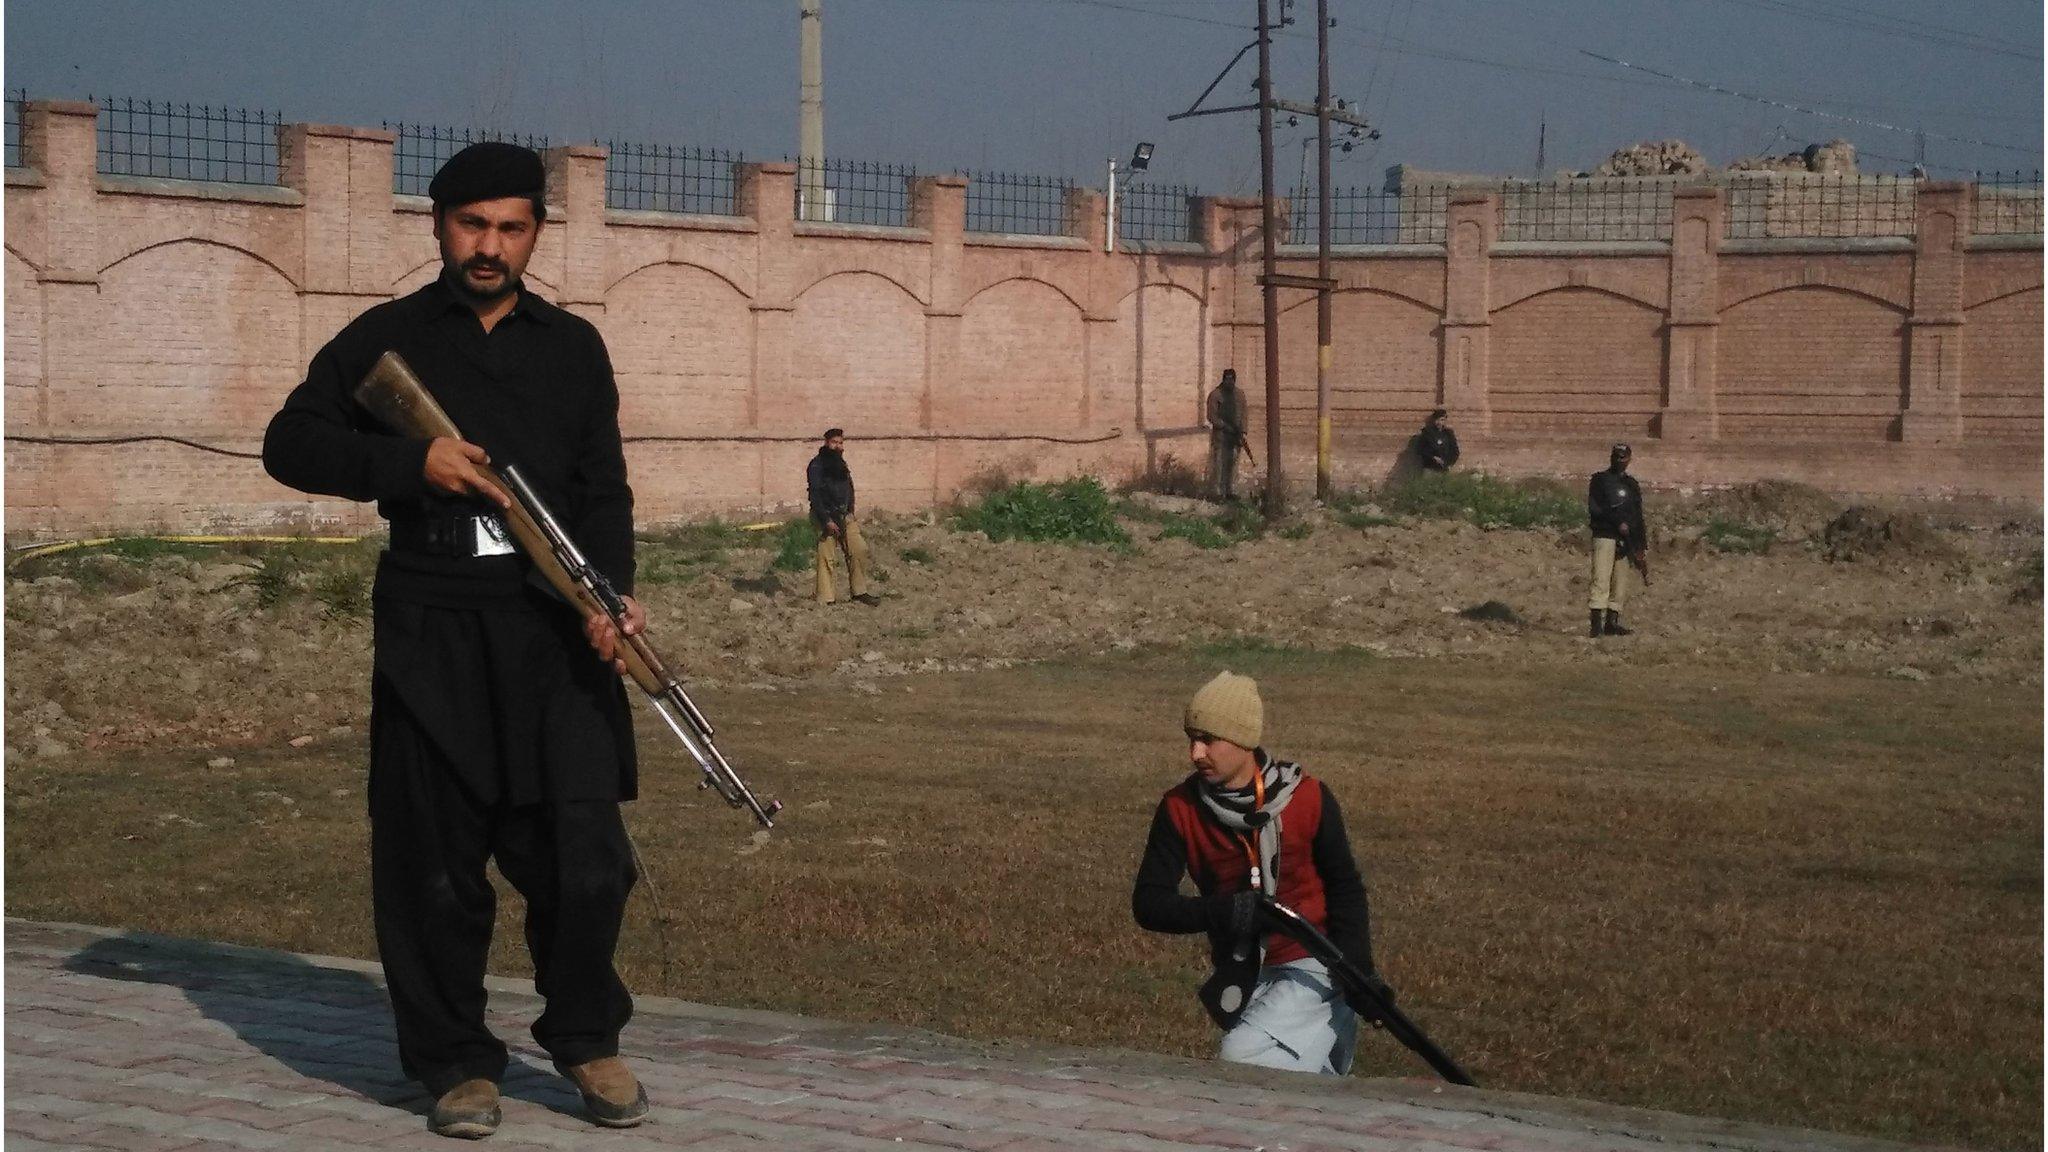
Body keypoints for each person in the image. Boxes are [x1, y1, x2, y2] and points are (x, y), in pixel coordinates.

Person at [262, 142, 650, 1139]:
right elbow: (290, 444)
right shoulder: (381, 339)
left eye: (509, 228)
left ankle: (586, 1038)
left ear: (534, 234)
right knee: (432, 866)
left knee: (586, 857)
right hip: (431, 622)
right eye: (471, 225)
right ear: (437, 225)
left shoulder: (572, 349)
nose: (488, 246)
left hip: (552, 628)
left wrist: (611, 596)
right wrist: (410, 461)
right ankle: (456, 1066)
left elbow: (603, 490)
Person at [1131, 672, 1385, 1076]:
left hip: (1313, 969)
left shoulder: (1308, 798)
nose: (1195, 753)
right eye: (1191, 739)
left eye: (1208, 740)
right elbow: (1150, 905)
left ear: (1243, 740)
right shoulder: (1179, 809)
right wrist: (1230, 912)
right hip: (1243, 971)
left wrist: (1359, 973)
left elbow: (1345, 889)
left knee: (1240, 1061)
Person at [807, 427, 876, 606]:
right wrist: (826, 521)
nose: (837, 446)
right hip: (826, 517)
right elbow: (815, 495)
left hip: (845, 515)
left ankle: (859, 592)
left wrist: (850, 511)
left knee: (858, 549)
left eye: (840, 442)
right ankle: (826, 597)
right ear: (826, 443)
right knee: (826, 557)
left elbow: (848, 488)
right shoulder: (817, 465)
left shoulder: (841, 464)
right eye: (834, 442)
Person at [1586, 442, 1647, 637]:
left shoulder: (1631, 485)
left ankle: (1612, 622)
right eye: (1616, 457)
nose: (1619, 461)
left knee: (1620, 583)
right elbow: (1597, 508)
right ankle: (1596, 626)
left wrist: (1639, 545)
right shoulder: (1600, 480)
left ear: (1629, 459)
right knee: (1600, 579)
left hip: (1626, 540)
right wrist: (1617, 523)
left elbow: (1637, 515)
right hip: (1605, 535)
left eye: (1623, 458)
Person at [1205, 369, 1249, 501]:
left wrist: (1243, 432)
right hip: (1221, 436)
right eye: (1227, 379)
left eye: (1231, 379)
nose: (1229, 382)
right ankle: (1217, 492)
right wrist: (1224, 426)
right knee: (1219, 464)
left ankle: (1230, 490)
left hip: (1235, 436)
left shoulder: (1240, 395)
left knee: (1233, 464)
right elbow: (1211, 416)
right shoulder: (1215, 395)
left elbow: (1244, 414)